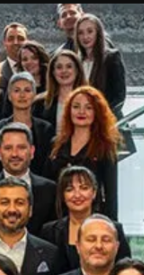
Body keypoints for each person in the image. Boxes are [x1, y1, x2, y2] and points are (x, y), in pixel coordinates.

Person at [47, 85, 120, 221]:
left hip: (91, 218)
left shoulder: (105, 147)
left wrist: (111, 224)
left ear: (97, 112)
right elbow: (48, 183)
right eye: (76, 107)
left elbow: (111, 192)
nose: (81, 112)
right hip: (57, 217)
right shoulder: (56, 144)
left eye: (88, 108)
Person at [0, 122, 57, 238]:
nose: (14, 154)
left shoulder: (50, 190)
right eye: (8, 148)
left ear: (32, 152)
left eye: (21, 148)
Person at [41, 166, 130, 271]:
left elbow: (125, 270)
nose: (77, 195)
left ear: (94, 192)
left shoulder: (114, 229)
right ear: (62, 195)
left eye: (84, 188)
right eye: (69, 189)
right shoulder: (49, 231)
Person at [0, 72, 55, 180]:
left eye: (27, 90)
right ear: (9, 96)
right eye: (17, 90)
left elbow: (48, 168)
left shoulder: (46, 129)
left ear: (34, 95)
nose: (22, 95)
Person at [74, 13, 127, 117]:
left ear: (98, 33)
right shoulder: (76, 61)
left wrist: (100, 116)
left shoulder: (111, 58)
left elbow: (119, 97)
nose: (85, 37)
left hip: (106, 119)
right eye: (80, 33)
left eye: (90, 31)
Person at [33, 49, 85, 132]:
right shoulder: (39, 103)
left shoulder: (90, 101)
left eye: (69, 66)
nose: (64, 71)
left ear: (77, 70)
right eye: (59, 67)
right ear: (53, 72)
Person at [0, 22, 28, 89]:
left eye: (20, 38)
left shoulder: (37, 70)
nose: (15, 42)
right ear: (4, 43)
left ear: (27, 42)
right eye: (11, 39)